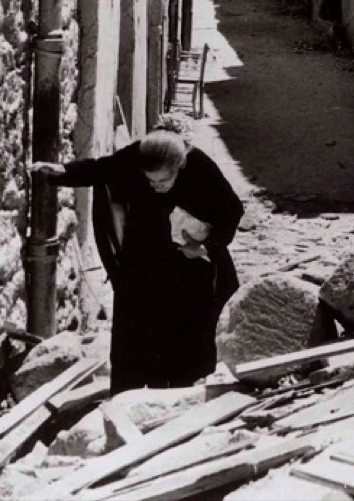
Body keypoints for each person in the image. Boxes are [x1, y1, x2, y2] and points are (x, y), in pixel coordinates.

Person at [32, 130, 243, 393]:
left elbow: (233, 209)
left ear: (180, 165)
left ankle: (182, 394)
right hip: (143, 257)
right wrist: (64, 171)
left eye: (165, 180)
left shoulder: (199, 167)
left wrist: (205, 246)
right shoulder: (136, 156)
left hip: (188, 263)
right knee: (134, 332)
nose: (157, 186)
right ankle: (129, 397)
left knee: (185, 332)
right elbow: (103, 169)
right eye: (150, 181)